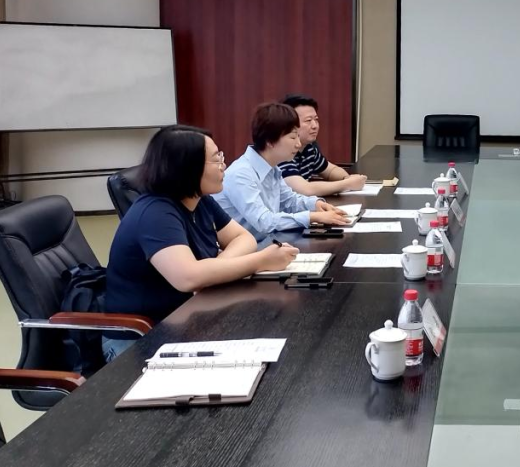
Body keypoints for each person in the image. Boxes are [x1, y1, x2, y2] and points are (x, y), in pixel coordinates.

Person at [104, 125, 299, 361]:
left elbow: (243, 238)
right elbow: (188, 278)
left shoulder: (200, 200)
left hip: (187, 319)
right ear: (187, 167)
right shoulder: (155, 213)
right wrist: (261, 261)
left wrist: (214, 268)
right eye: (217, 159)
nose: (224, 165)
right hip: (141, 337)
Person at [214, 102, 349, 239]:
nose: (298, 144)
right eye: (293, 137)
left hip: (267, 242)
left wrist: (316, 204)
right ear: (270, 141)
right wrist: (311, 217)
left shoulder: (272, 168)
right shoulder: (241, 174)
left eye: (298, 136)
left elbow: (289, 201)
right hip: (246, 247)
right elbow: (264, 221)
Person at [279, 93, 368, 197]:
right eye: (308, 120)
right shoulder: (281, 152)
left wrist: (347, 178)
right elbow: (304, 189)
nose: (315, 126)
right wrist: (347, 184)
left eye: (316, 119)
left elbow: (330, 170)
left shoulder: (309, 148)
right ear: (289, 124)